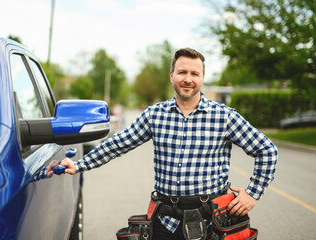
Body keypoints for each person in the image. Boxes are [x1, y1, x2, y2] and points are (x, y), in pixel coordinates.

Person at [50, 48, 278, 239]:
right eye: (182, 72)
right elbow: (119, 143)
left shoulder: (224, 116)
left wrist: (252, 194)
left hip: (212, 224)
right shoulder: (154, 115)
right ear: (171, 76)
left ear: (202, 78)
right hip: (164, 223)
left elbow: (267, 150)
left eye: (194, 73)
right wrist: (78, 165)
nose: (188, 78)